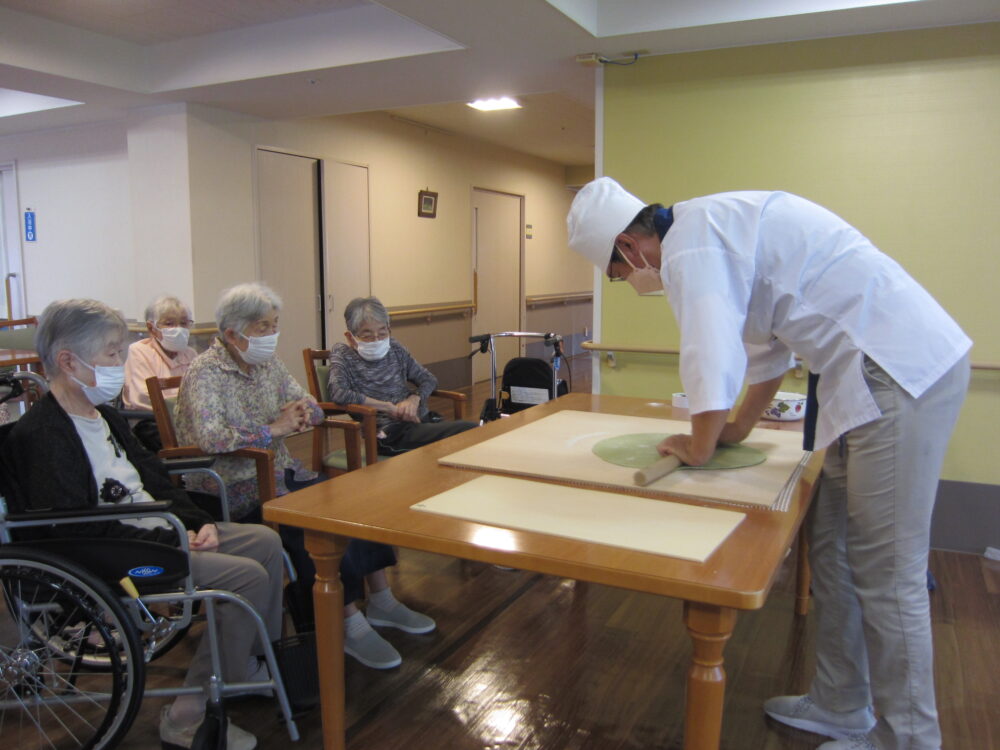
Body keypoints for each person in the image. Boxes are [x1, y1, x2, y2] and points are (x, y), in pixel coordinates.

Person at [567, 177, 970, 750]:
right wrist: (733, 429)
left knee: (887, 574)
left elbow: (710, 352)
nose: (631, 283)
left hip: (897, 371)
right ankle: (840, 702)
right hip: (863, 376)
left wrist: (701, 445)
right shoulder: (713, 230)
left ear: (630, 248)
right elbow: (767, 353)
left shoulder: (691, 245)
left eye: (619, 274)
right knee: (833, 549)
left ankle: (911, 741)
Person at [1, 298, 285, 750]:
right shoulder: (40, 435)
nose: (122, 362)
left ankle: (242, 666)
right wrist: (172, 537)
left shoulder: (105, 415)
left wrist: (195, 521)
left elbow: (154, 479)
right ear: (68, 361)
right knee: (244, 576)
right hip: (117, 555)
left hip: (158, 532)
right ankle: (187, 714)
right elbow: (78, 529)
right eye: (112, 354)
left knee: (266, 542)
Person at [175, 282, 434, 669]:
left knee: (353, 501)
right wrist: (275, 429)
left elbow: (312, 407)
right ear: (233, 333)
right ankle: (348, 623)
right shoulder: (205, 373)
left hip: (281, 472)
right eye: (264, 326)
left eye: (274, 324)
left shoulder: (267, 364)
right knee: (311, 523)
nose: (273, 334)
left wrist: (302, 412)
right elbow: (211, 438)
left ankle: (381, 601)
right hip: (234, 486)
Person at [328, 296, 477, 455]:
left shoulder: (395, 348)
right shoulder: (343, 354)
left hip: (421, 422)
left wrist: (414, 399)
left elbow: (428, 379)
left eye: (382, 332)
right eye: (367, 335)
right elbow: (338, 392)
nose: (377, 340)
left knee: (469, 436)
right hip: (391, 433)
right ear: (350, 337)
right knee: (470, 432)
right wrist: (387, 407)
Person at [122, 294, 198, 452]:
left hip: (188, 420)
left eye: (184, 323)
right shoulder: (139, 351)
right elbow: (143, 397)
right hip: (152, 421)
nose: (178, 329)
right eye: (169, 324)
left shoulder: (190, 354)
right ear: (152, 328)